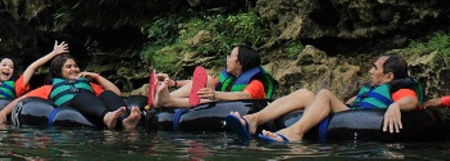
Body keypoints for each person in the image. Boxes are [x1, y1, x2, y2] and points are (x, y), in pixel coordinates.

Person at [226, 54, 422, 142]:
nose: (370, 71)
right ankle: (253, 120)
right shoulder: (373, 88)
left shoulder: (399, 88)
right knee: (305, 94)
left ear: (389, 76)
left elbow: (412, 101)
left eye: (375, 68)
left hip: (362, 119)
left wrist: (395, 107)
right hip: (352, 113)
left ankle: (295, 132)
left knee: (325, 94)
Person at [0, 54, 142, 130]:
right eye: (69, 67)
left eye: (75, 66)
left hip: (91, 105)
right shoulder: (49, 88)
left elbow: (115, 93)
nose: (74, 69)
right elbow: (23, 99)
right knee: (82, 95)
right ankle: (107, 118)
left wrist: (96, 77)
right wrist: (4, 112)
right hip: (70, 107)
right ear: (58, 72)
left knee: (106, 94)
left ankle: (125, 120)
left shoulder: (87, 84)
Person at [153, 45, 276, 107]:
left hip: (236, 110)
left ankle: (168, 100)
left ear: (240, 63)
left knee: (209, 95)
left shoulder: (256, 84)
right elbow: (199, 83)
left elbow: (245, 95)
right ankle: (163, 97)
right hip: (217, 104)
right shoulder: (230, 78)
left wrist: (216, 95)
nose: (227, 59)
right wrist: (174, 83)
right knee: (208, 79)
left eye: (231, 56)